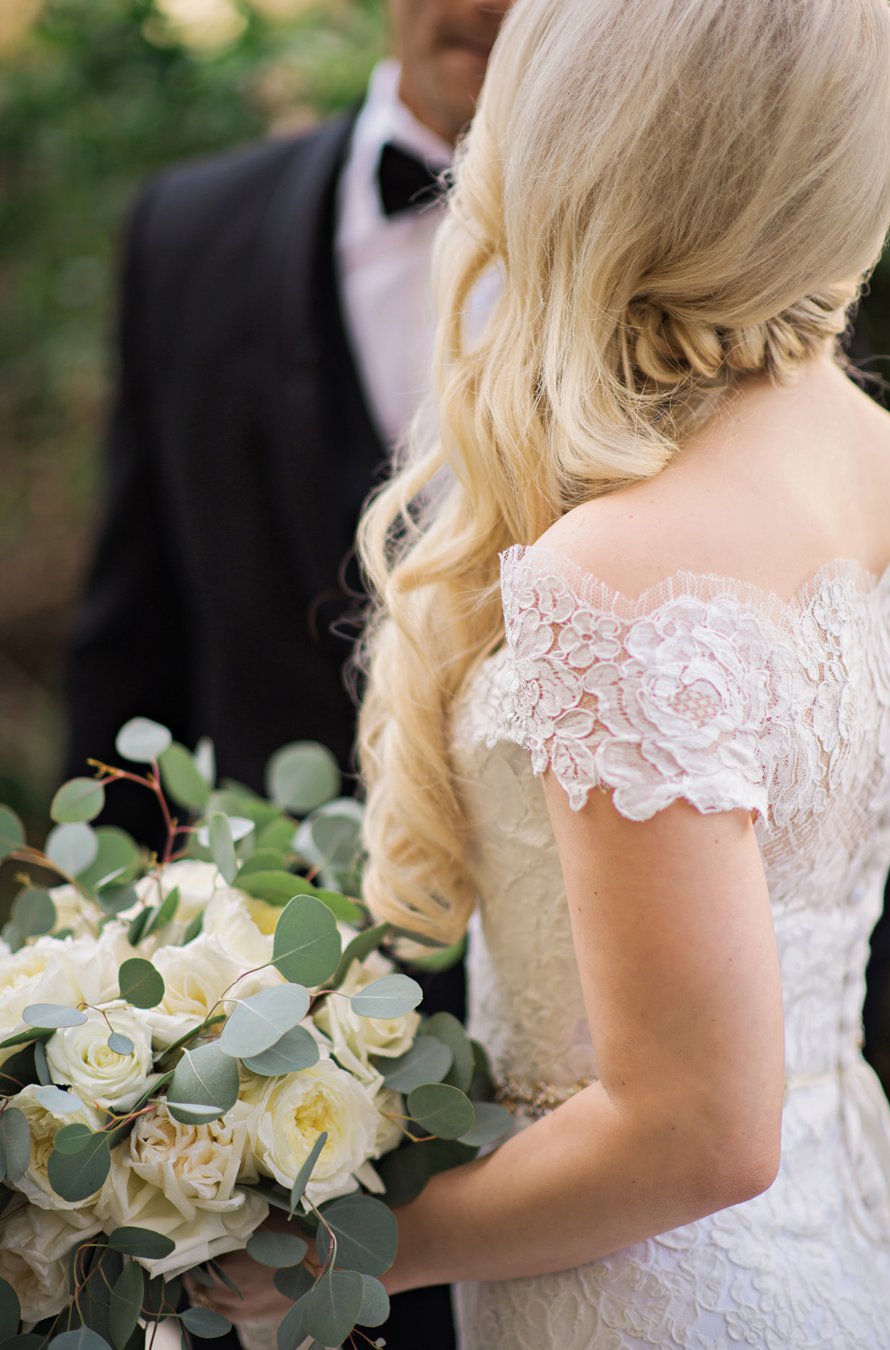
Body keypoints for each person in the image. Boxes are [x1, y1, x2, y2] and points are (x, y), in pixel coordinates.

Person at [203, 0, 890, 1343]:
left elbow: (693, 1131)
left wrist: (339, 1253)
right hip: (842, 1246)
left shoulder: (624, 563)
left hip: (651, 1292)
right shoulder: (878, 461)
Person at [63, 4, 512, 1347]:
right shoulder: (189, 231)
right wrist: (110, 1004)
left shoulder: (686, 248)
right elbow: (129, 641)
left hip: (592, 1043)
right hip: (256, 1066)